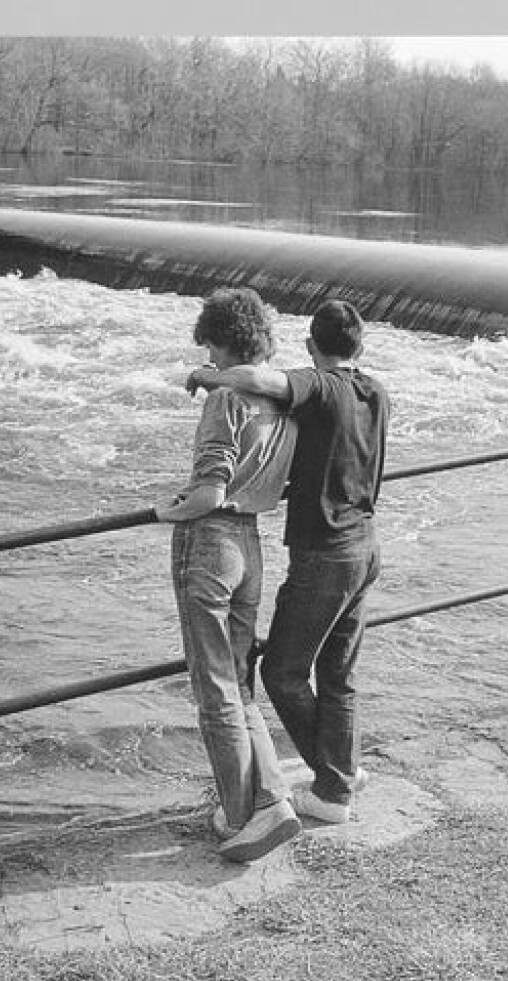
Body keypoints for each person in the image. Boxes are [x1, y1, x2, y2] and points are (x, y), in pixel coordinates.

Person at [187, 299, 389, 824]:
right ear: (361, 347)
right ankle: (343, 774)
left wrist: (206, 376)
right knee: (338, 673)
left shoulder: (322, 387)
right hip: (366, 545)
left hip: (326, 554)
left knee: (282, 673)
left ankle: (333, 784)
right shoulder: (376, 392)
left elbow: (262, 381)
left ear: (309, 346)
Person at [152, 287, 302, 863]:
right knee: (239, 684)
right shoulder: (284, 399)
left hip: (211, 541)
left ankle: (246, 817)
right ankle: (271, 798)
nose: (208, 361)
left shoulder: (224, 399)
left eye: (210, 350)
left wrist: (168, 510)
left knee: (214, 688)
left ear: (224, 342)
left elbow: (210, 489)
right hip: (252, 545)